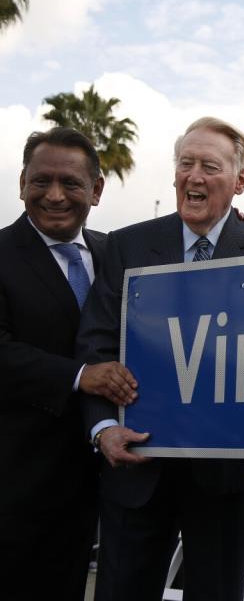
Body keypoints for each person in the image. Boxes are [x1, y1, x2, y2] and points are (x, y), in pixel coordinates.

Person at [76, 116, 244, 601]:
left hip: (227, 482)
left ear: (240, 181)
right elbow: (96, 345)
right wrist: (102, 429)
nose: (193, 176)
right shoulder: (126, 245)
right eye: (185, 163)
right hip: (134, 471)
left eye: (209, 166)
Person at [0, 127, 138, 600]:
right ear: (22, 183)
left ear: (96, 190)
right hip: (18, 490)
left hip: (105, 487)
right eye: (41, 181)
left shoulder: (116, 254)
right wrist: (81, 376)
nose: (54, 195)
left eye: (71, 183)